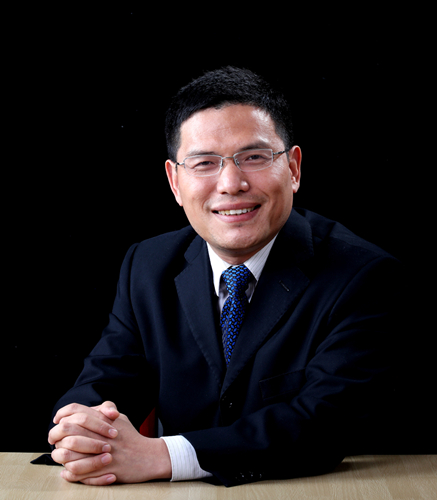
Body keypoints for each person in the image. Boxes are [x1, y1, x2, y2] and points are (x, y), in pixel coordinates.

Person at [48, 66, 403, 487]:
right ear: (174, 182)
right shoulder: (148, 265)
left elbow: (321, 422)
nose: (231, 184)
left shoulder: (362, 276)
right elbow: (104, 381)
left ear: (293, 168)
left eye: (254, 157)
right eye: (204, 163)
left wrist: (165, 456)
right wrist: (80, 429)